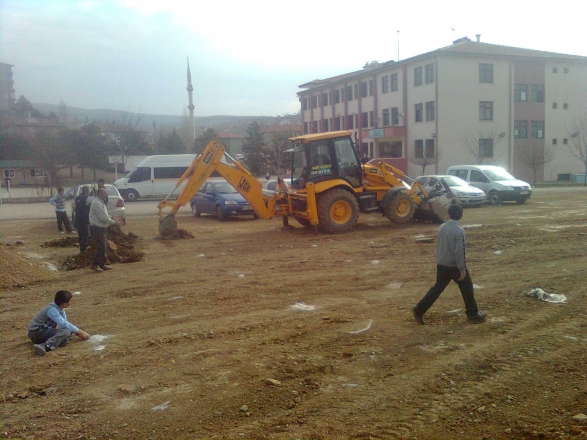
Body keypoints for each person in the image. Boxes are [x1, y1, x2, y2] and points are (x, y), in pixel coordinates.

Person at [412, 204, 486, 325]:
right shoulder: (459, 231)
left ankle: (419, 309)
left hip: (441, 264)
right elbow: (459, 252)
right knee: (467, 287)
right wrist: (462, 269)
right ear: (461, 215)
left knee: (437, 288)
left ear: (449, 214)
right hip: (454, 266)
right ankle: (472, 314)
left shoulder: (442, 227)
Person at [28, 290, 90, 356]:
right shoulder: (52, 309)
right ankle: (45, 346)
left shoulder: (59, 308)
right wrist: (80, 332)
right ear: (64, 303)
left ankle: (57, 341)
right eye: (70, 301)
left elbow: (65, 323)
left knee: (68, 332)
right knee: (66, 332)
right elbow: (63, 324)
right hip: (36, 333)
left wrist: (75, 332)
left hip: (43, 331)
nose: (70, 302)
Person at [89, 187, 123, 272]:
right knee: (101, 247)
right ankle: (95, 265)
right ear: (100, 194)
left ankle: (102, 264)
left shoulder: (100, 202)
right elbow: (103, 218)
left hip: (101, 228)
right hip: (97, 228)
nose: (106, 195)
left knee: (104, 247)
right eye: (105, 193)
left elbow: (105, 215)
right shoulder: (97, 203)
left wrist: (112, 217)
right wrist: (115, 223)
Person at [74, 186, 91, 253]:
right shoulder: (87, 198)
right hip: (85, 219)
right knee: (85, 235)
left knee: (80, 235)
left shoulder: (77, 198)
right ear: (87, 191)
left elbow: (75, 208)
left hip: (78, 219)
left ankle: (82, 249)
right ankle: (84, 249)